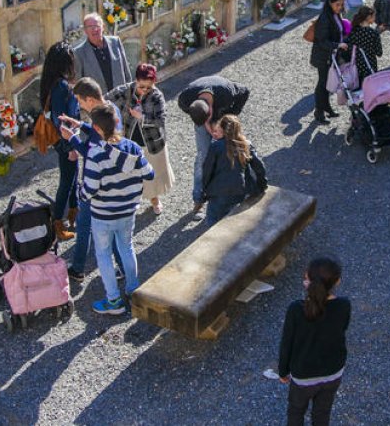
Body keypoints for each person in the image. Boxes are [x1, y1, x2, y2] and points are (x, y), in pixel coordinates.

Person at [62, 103, 153, 315]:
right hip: (128, 211)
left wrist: (80, 194)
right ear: (117, 122)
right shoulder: (132, 147)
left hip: (103, 214)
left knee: (103, 255)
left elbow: (89, 190)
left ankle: (114, 300)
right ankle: (133, 289)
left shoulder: (96, 154)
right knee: (127, 248)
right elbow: (149, 174)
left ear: (97, 128)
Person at [61, 78, 123, 282]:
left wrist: (71, 138)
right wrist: (81, 125)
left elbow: (91, 153)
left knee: (88, 224)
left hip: (96, 182)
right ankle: (81, 267)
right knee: (96, 225)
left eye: (80, 101)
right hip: (109, 181)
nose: (79, 105)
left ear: (89, 100)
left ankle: (79, 268)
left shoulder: (99, 117)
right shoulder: (110, 110)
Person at [278, 257, 350, 426]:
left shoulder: (296, 309)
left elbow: (287, 343)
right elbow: (342, 329)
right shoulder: (344, 305)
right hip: (333, 372)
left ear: (307, 280)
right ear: (337, 281)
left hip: (303, 375)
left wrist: (283, 371)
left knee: (296, 411)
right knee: (322, 412)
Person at [178, 75, 250, 220]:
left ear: (211, 109)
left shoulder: (226, 92)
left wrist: (228, 119)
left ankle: (241, 191)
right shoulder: (185, 98)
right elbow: (194, 114)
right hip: (201, 118)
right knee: (203, 158)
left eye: (208, 117)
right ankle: (198, 201)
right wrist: (206, 124)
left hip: (223, 118)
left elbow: (245, 91)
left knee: (234, 152)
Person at [106, 64, 173, 215]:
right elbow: (104, 102)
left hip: (151, 143)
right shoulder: (124, 91)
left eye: (149, 87)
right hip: (129, 141)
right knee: (128, 174)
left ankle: (154, 199)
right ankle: (132, 200)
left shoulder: (157, 96)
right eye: (142, 86)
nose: (145, 90)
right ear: (136, 80)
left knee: (151, 174)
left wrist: (141, 117)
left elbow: (161, 121)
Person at [39, 41, 80, 240]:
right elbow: (61, 119)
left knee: (73, 175)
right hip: (66, 140)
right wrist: (71, 147)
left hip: (62, 140)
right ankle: (58, 223)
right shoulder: (62, 86)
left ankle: (74, 211)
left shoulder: (50, 82)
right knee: (67, 181)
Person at [200, 115, 253, 226]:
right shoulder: (245, 144)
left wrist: (204, 189)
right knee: (230, 218)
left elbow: (207, 170)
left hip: (219, 192)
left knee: (212, 220)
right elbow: (255, 167)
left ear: (223, 130)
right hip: (238, 190)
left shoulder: (216, 146)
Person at [310, 0, 347, 126]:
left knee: (327, 83)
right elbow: (322, 41)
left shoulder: (335, 14)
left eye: (341, 5)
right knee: (322, 84)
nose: (340, 7)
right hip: (323, 57)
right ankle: (319, 111)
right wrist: (338, 45)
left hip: (331, 56)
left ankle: (326, 108)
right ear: (330, 3)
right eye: (337, 5)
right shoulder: (325, 18)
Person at [72, 12, 133, 94]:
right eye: (90, 27)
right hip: (98, 100)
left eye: (97, 26)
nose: (94, 29)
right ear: (85, 30)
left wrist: (130, 94)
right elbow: (79, 84)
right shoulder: (79, 53)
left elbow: (126, 73)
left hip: (121, 97)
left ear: (103, 27)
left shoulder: (115, 42)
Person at [344, 6, 383, 81]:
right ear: (369, 17)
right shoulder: (373, 33)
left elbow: (349, 46)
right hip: (370, 65)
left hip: (357, 65)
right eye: (374, 16)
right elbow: (379, 53)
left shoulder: (353, 30)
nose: (375, 18)